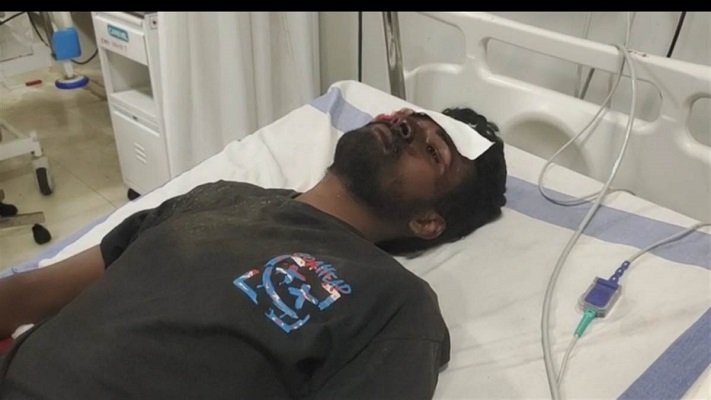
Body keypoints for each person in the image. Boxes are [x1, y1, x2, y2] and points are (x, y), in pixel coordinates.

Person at [0, 106, 507, 399]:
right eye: (410, 119)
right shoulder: (218, 197)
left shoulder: (395, 302)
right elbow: (31, 293)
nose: (407, 129)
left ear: (426, 222)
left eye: (433, 152)